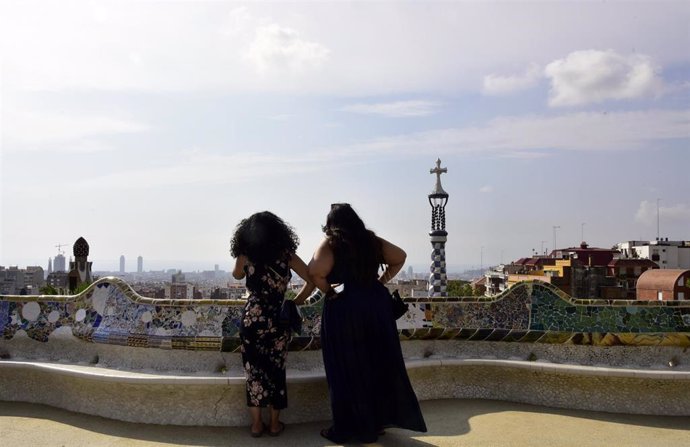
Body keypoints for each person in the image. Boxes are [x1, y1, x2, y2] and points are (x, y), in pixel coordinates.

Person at [307, 203, 427, 444]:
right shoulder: (371, 240)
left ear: (331, 223)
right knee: (377, 362)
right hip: (375, 306)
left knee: (345, 366)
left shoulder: (331, 243)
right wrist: (379, 282)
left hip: (345, 308)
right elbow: (400, 257)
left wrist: (330, 292)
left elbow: (315, 271)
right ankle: (376, 421)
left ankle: (351, 427)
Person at [230, 211, 313, 438]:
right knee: (276, 370)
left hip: (253, 317)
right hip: (279, 317)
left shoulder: (246, 254)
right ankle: (275, 424)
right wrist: (295, 301)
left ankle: (256, 425)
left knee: (253, 371)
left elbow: (237, 276)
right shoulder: (287, 255)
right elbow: (312, 279)